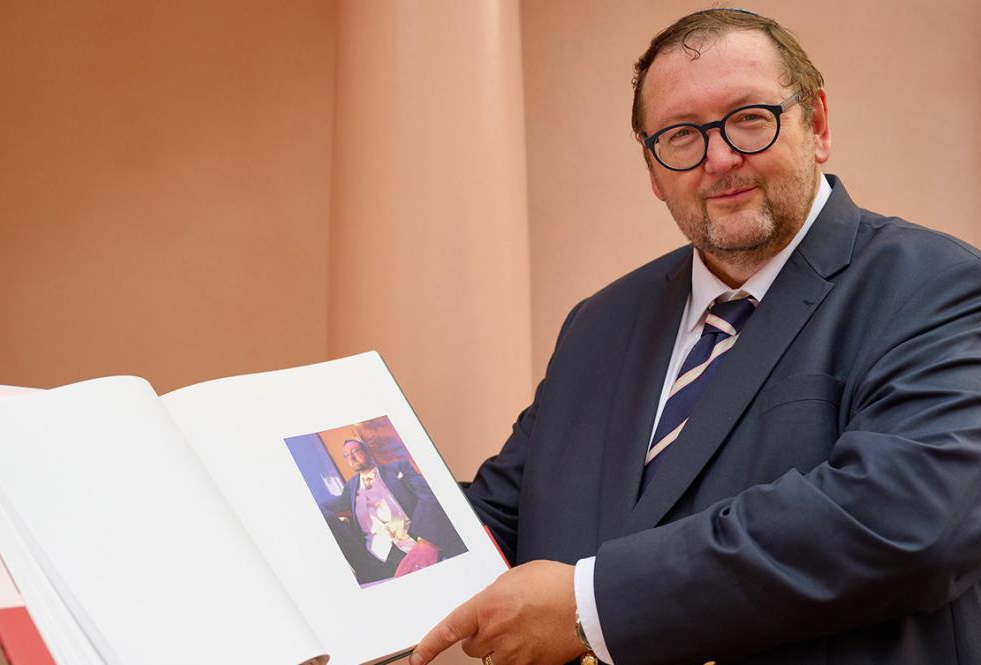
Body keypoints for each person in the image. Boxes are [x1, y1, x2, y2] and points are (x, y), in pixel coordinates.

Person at [412, 8, 981, 665]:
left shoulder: (939, 288)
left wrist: (588, 606)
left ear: (817, 123)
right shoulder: (599, 325)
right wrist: (328, 534)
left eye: (748, 118)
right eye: (682, 135)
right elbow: (498, 519)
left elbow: (904, 523)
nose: (719, 158)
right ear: (654, 172)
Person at [324, 439, 467, 584]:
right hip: (378, 556)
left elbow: (428, 496)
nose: (352, 458)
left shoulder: (399, 468)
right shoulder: (351, 487)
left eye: (355, 451)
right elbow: (332, 506)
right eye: (346, 455)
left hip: (415, 540)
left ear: (367, 451)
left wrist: (425, 540)